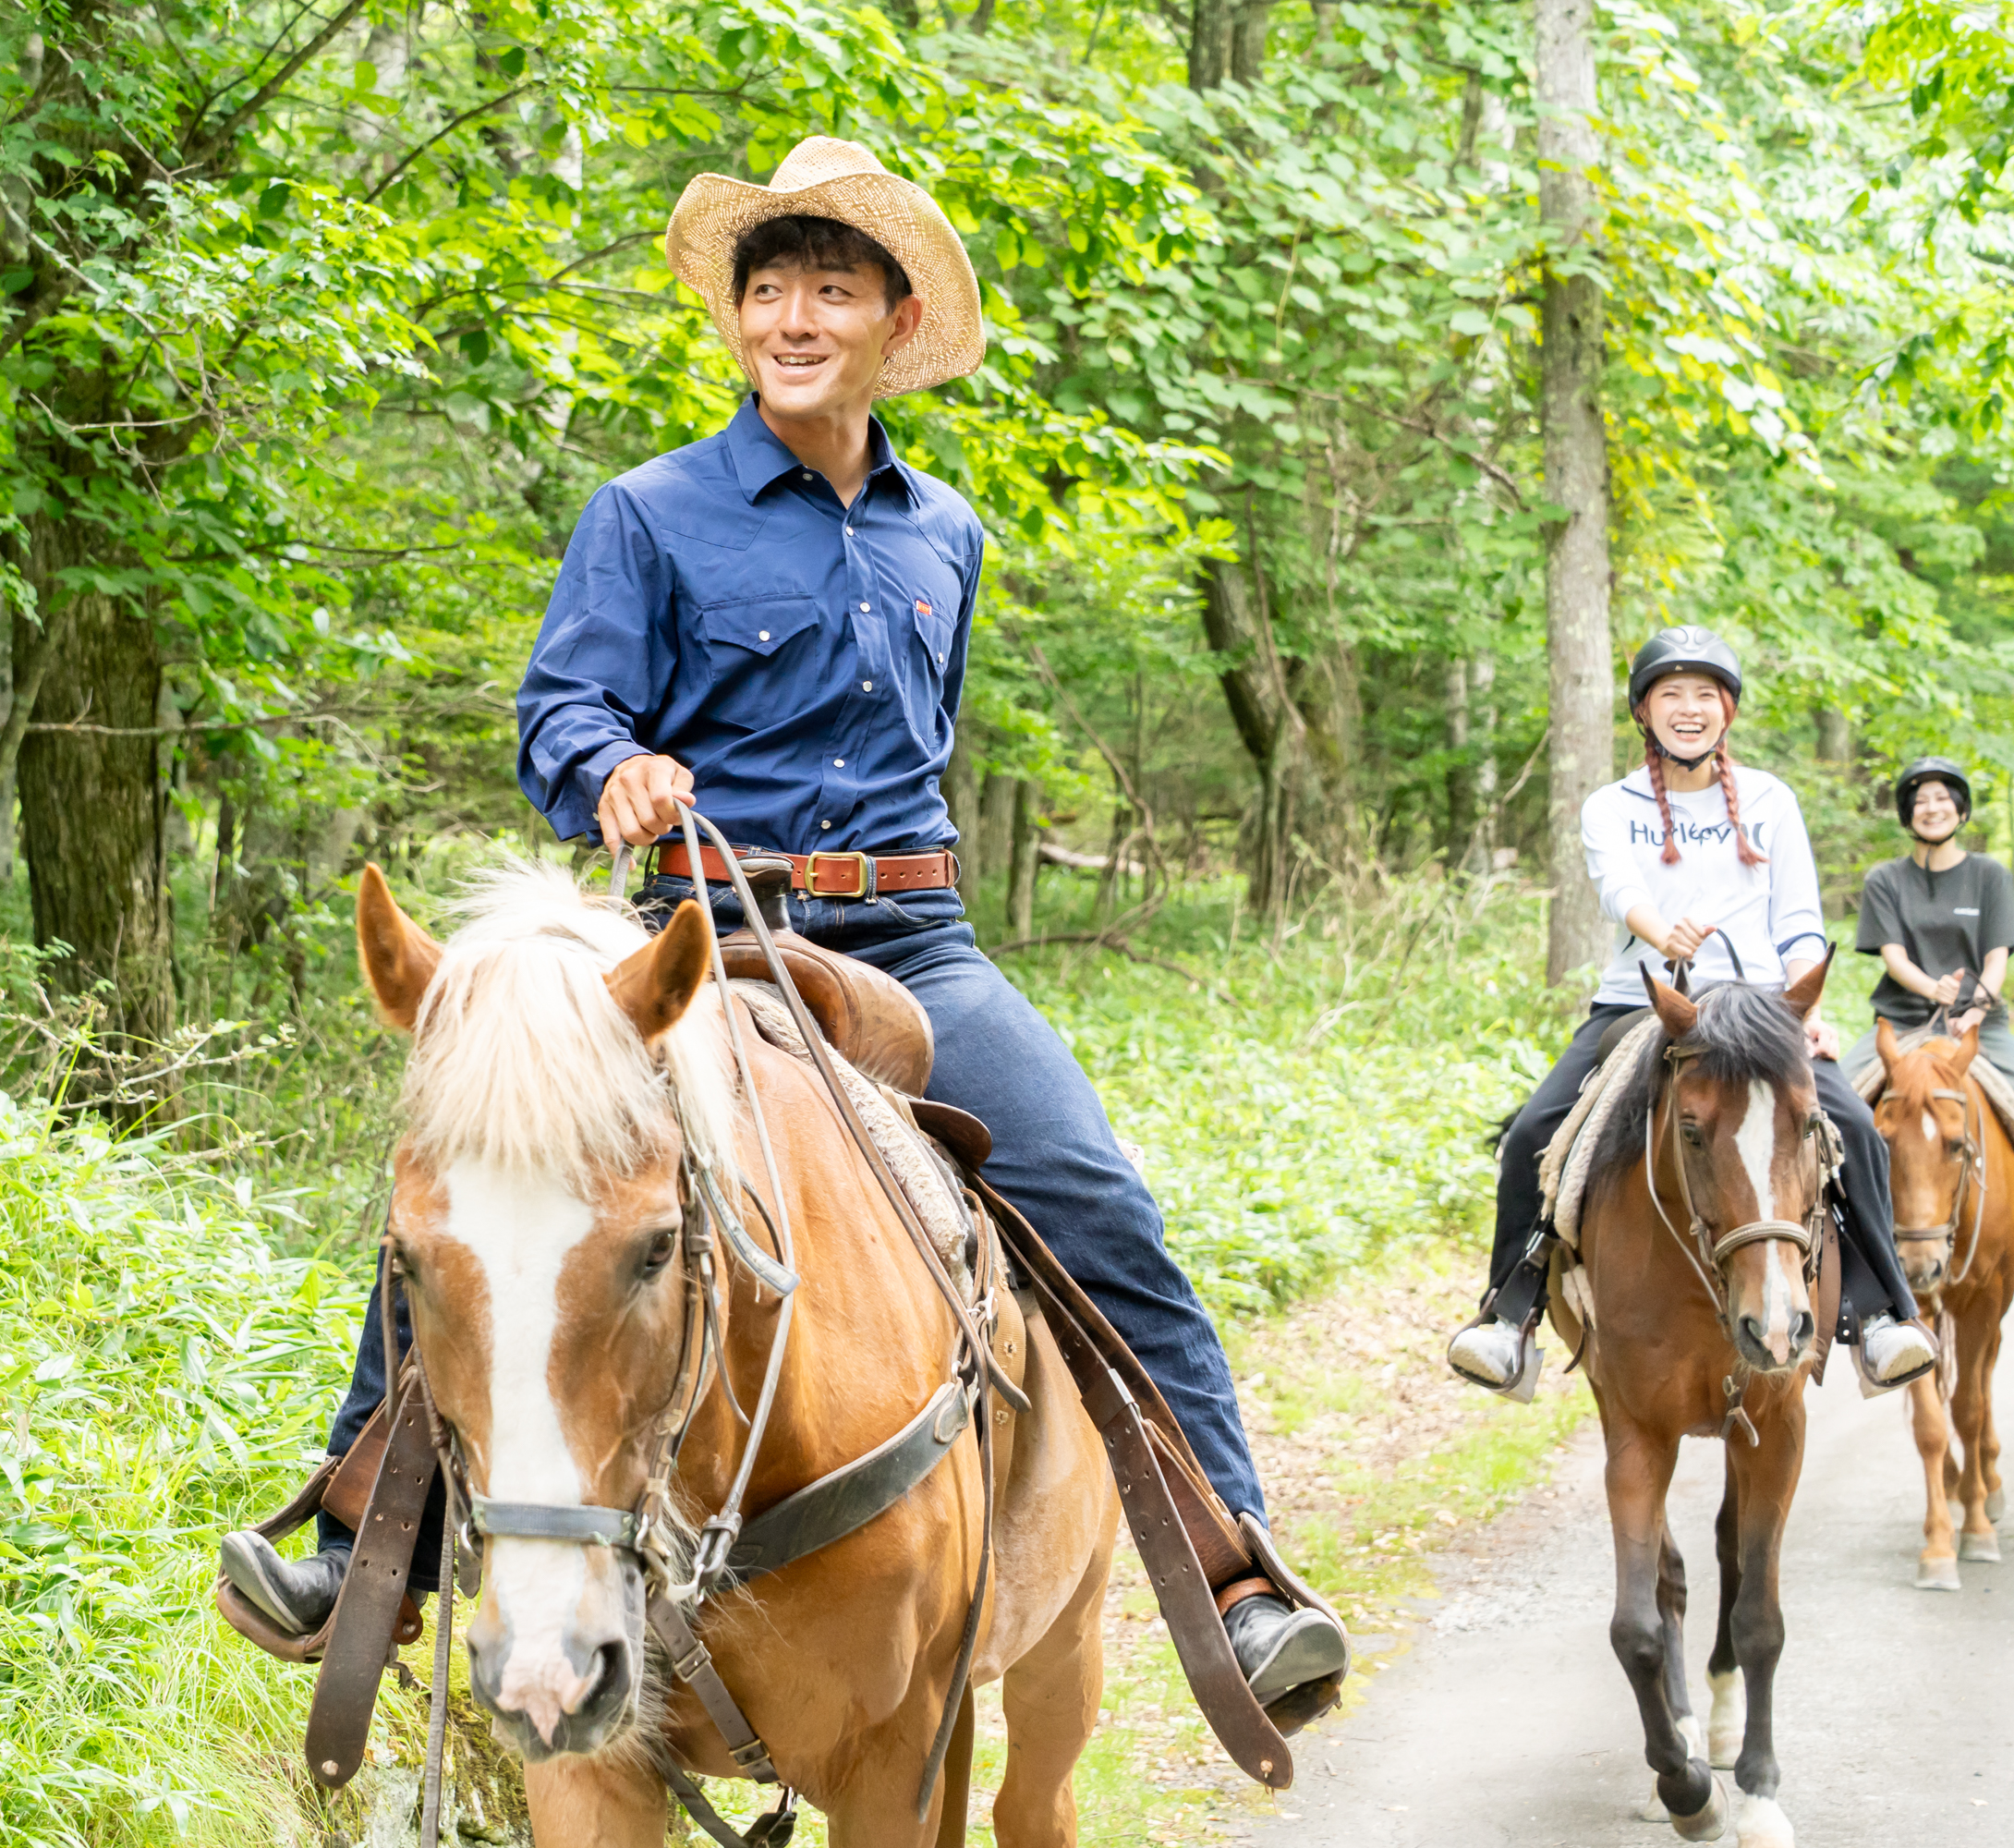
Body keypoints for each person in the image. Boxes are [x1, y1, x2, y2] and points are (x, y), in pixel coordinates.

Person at [221, 134, 1348, 1712]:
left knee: (1099, 1198)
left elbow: (924, 746)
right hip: (702, 946)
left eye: (831, 290)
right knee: (493, 1185)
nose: (795, 319)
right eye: (768, 293)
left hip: (913, 945)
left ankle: (1238, 1577)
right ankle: (364, 1545)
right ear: (736, 319)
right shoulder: (647, 513)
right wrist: (612, 769)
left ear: (896, 321)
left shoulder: (946, 532)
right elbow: (561, 710)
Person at [1445, 626, 1940, 1397]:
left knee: (1854, 1131)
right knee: (1534, 1133)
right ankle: (1509, 1316)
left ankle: (1882, 1316)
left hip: (1761, 1010)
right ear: (1643, 711)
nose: (1688, 708)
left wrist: (1804, 1006)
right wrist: (1659, 931)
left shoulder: (1771, 799)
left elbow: (1799, 920)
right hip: (1646, 1005)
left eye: (1704, 694)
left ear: (1726, 711)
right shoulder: (1611, 805)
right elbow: (1619, 889)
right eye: (1670, 693)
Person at [1851, 757, 2014, 1307]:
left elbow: (1996, 958)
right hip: (1903, 1022)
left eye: (1942, 798)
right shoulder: (1884, 880)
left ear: (1961, 808)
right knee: (1831, 1116)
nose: (1932, 808)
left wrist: (1975, 1004)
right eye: (1920, 800)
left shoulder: (1989, 875)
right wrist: (1935, 990)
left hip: (1980, 1026)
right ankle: (1843, 1269)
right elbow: (1894, 958)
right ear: (1907, 813)